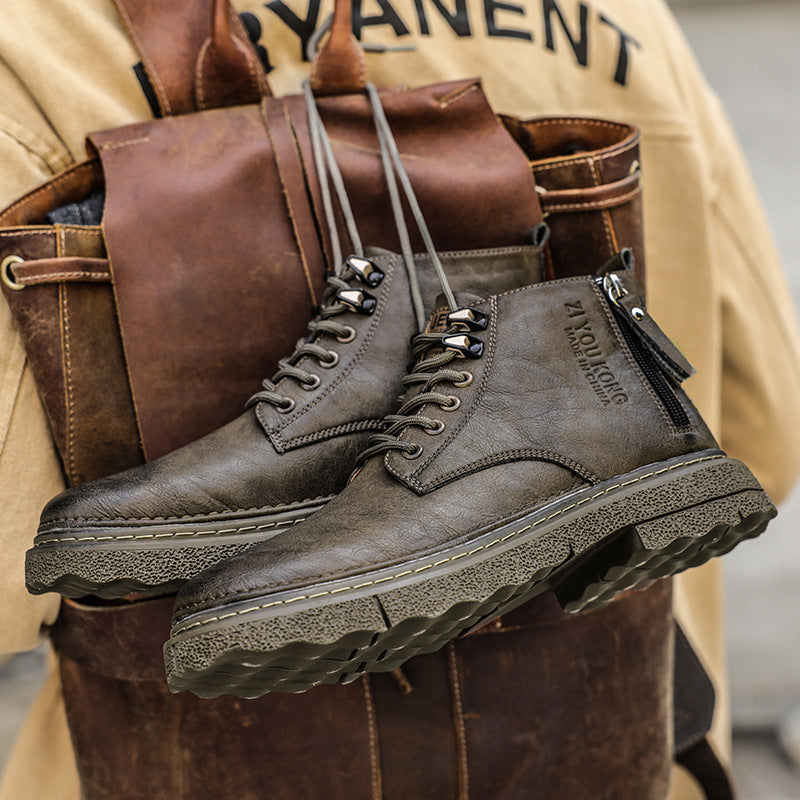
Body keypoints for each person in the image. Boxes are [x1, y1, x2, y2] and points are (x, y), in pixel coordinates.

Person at [1, 1, 798, 798]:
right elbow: (770, 427)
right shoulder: (625, 18)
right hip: (616, 738)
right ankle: (461, 483)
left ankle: (424, 488)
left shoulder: (39, 43)